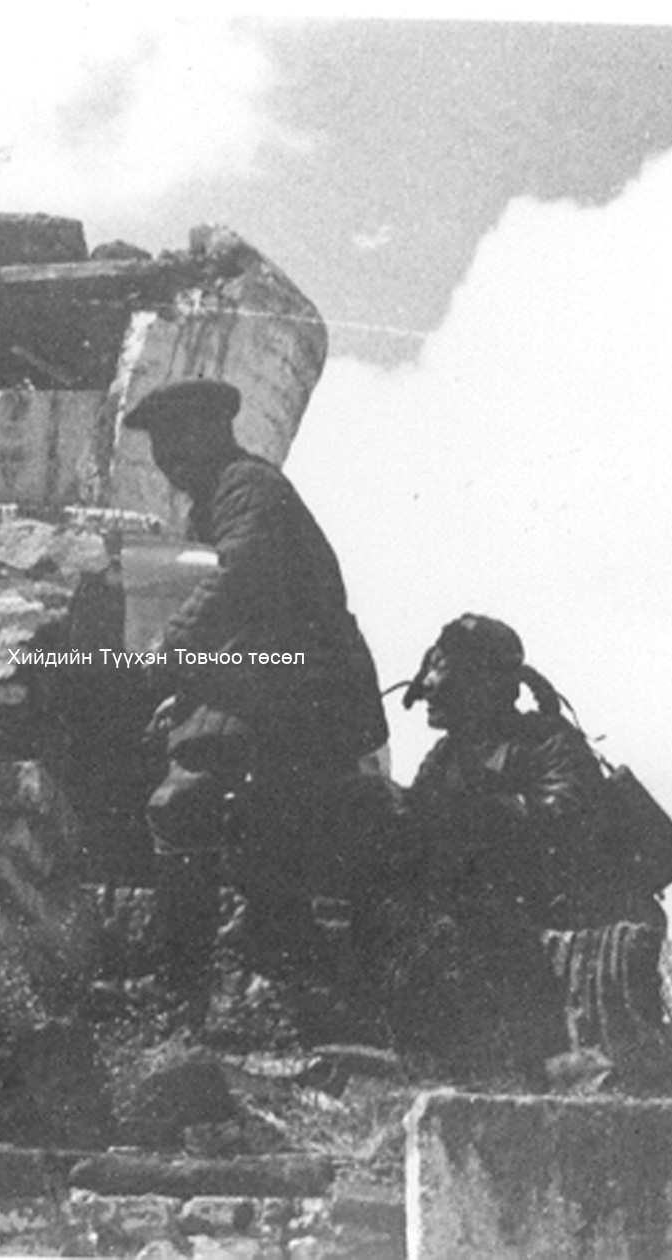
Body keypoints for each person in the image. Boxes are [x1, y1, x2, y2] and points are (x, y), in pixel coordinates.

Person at [123, 378, 389, 994]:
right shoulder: (217, 500)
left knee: (184, 804)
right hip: (275, 683)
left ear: (212, 430)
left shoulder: (246, 487)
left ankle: (180, 987)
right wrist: (185, 694)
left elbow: (238, 578)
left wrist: (171, 645)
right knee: (255, 838)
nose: (168, 458)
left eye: (177, 439)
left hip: (302, 685)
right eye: (160, 445)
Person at [399, 613, 672, 1077]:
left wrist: (475, 813)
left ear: (482, 684)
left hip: (559, 913)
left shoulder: (546, 740)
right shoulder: (445, 757)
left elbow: (566, 825)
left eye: (441, 669)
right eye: (430, 668)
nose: (427, 684)